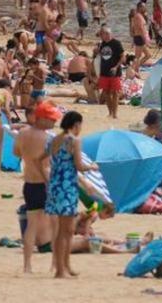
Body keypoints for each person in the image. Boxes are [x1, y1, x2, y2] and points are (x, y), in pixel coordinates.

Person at [45, 110, 98, 279]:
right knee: (65, 230)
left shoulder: (55, 139)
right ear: (76, 124)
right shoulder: (74, 140)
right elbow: (79, 166)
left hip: (55, 185)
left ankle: (66, 266)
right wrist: (93, 167)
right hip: (67, 187)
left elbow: (43, 158)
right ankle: (61, 270)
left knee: (66, 230)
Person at [13, 101, 58, 273]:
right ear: (42, 119)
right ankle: (54, 264)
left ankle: (27, 265)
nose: (53, 122)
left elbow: (16, 153)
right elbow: (48, 165)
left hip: (29, 183)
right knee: (55, 224)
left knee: (31, 225)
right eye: (51, 119)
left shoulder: (22, 134)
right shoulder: (48, 138)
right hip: (44, 183)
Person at [94, 27, 124, 119]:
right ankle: (110, 112)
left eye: (105, 34)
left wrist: (116, 67)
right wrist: (97, 52)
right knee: (106, 92)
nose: (103, 36)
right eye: (102, 34)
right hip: (104, 71)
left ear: (109, 34)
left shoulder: (116, 43)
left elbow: (123, 57)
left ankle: (115, 113)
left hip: (114, 72)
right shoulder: (102, 44)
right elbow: (100, 57)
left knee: (115, 92)